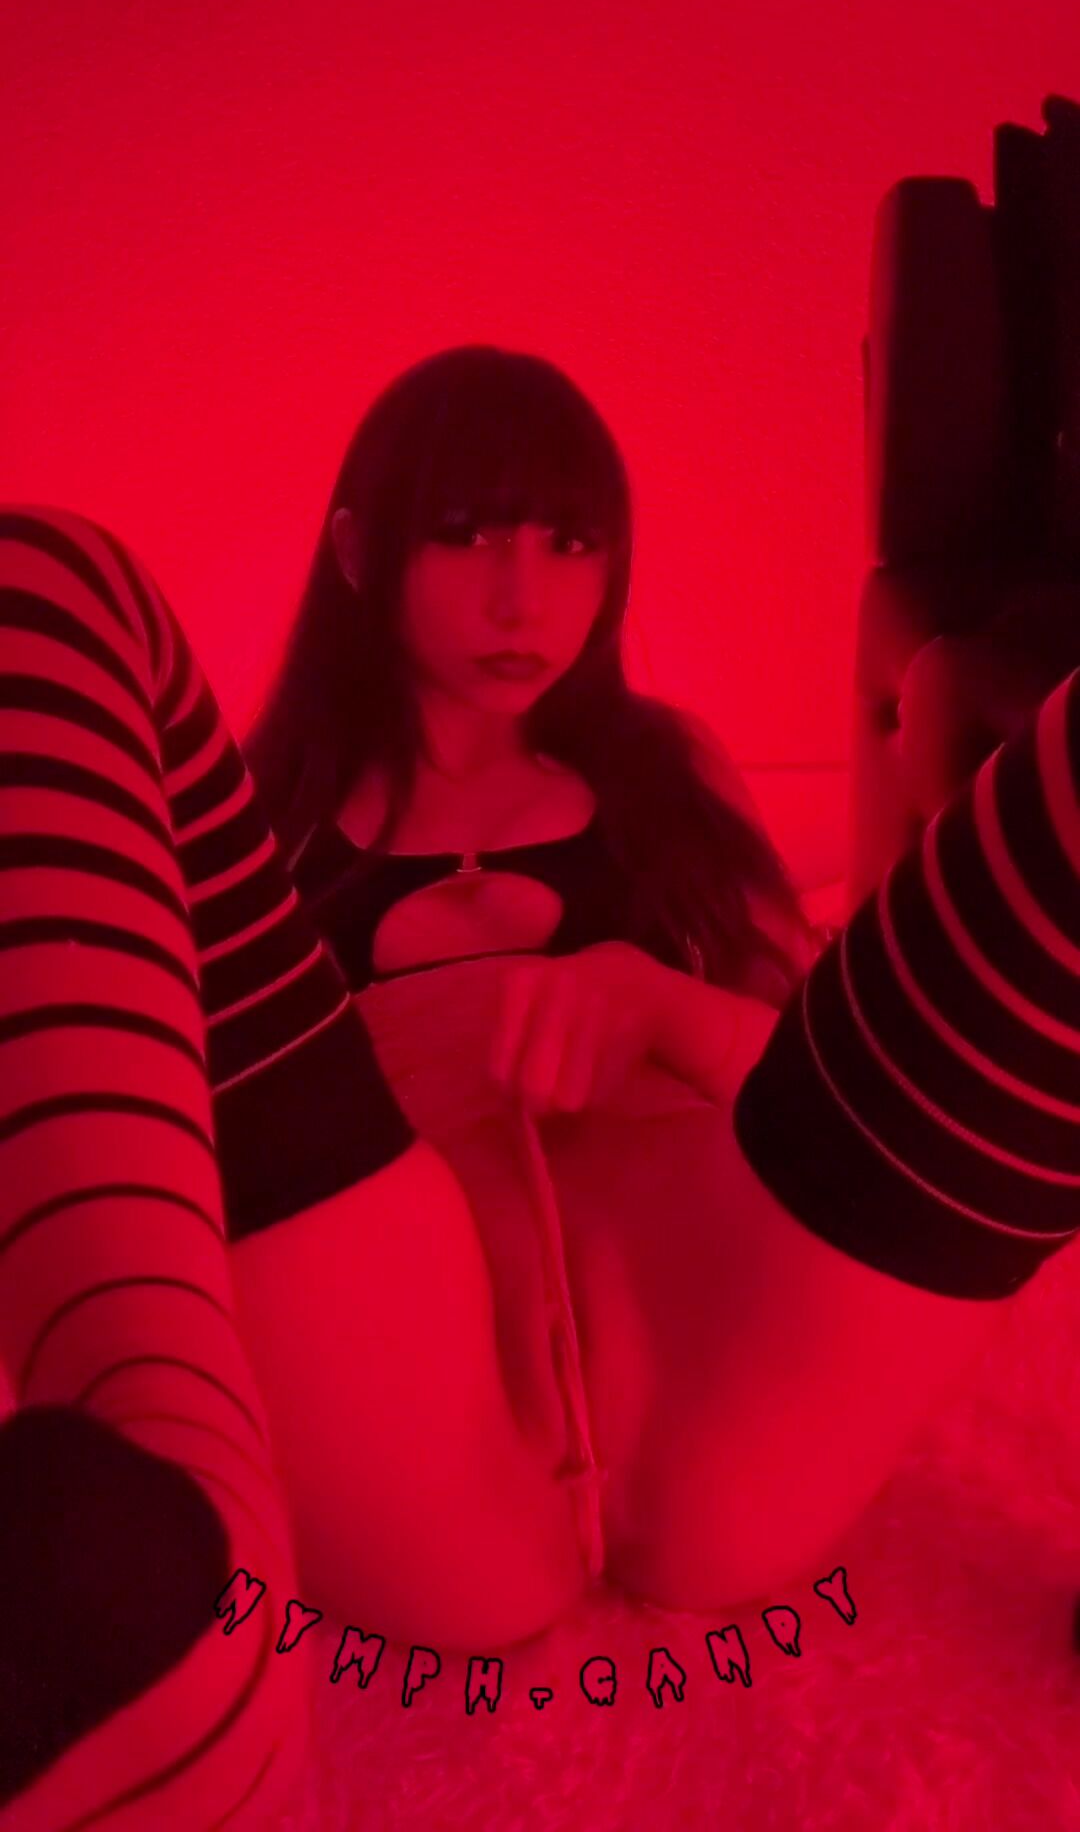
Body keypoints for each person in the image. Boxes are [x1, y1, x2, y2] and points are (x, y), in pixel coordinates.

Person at [0, 469, 1076, 1828]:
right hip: (382, 1340)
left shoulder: (673, 767)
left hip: (730, 1288)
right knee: (42, 582)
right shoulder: (267, 805)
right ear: (359, 550)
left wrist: (657, 1000)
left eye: (570, 540)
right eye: (463, 529)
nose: (524, 593)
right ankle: (182, 1621)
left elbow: (804, 1051)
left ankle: (165, 1612)